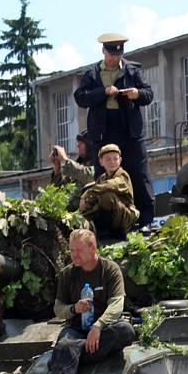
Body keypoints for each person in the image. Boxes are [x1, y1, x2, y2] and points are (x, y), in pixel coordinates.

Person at [44, 229, 136, 374]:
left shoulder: (109, 269)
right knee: (66, 342)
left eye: (78, 250)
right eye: (71, 250)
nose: (74, 255)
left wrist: (98, 326)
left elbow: (117, 304)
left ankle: (67, 359)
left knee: (126, 331)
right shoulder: (68, 274)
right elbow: (58, 309)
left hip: (104, 329)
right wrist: (74, 308)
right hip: (77, 329)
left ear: (93, 247)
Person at [73, 33, 155, 228]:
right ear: (104, 51)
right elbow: (80, 98)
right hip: (103, 130)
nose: (115, 58)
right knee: (103, 174)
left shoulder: (132, 71)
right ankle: (106, 223)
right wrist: (103, 92)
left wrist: (137, 93)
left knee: (138, 172)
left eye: (118, 54)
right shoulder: (92, 74)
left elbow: (148, 94)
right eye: (111, 54)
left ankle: (144, 220)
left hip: (129, 128)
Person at [79, 144, 139, 239]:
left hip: (124, 218)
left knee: (106, 196)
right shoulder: (102, 178)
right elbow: (95, 195)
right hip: (112, 218)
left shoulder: (123, 175)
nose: (112, 162)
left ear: (120, 160)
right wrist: (86, 202)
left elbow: (111, 185)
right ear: (101, 162)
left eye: (115, 159)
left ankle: (108, 231)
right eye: (108, 159)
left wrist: (89, 193)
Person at [50, 130, 95, 212]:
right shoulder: (75, 169)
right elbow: (58, 191)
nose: (78, 146)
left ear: (90, 146)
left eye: (82, 143)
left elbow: (86, 174)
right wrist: (57, 167)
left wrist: (65, 159)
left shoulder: (99, 168)